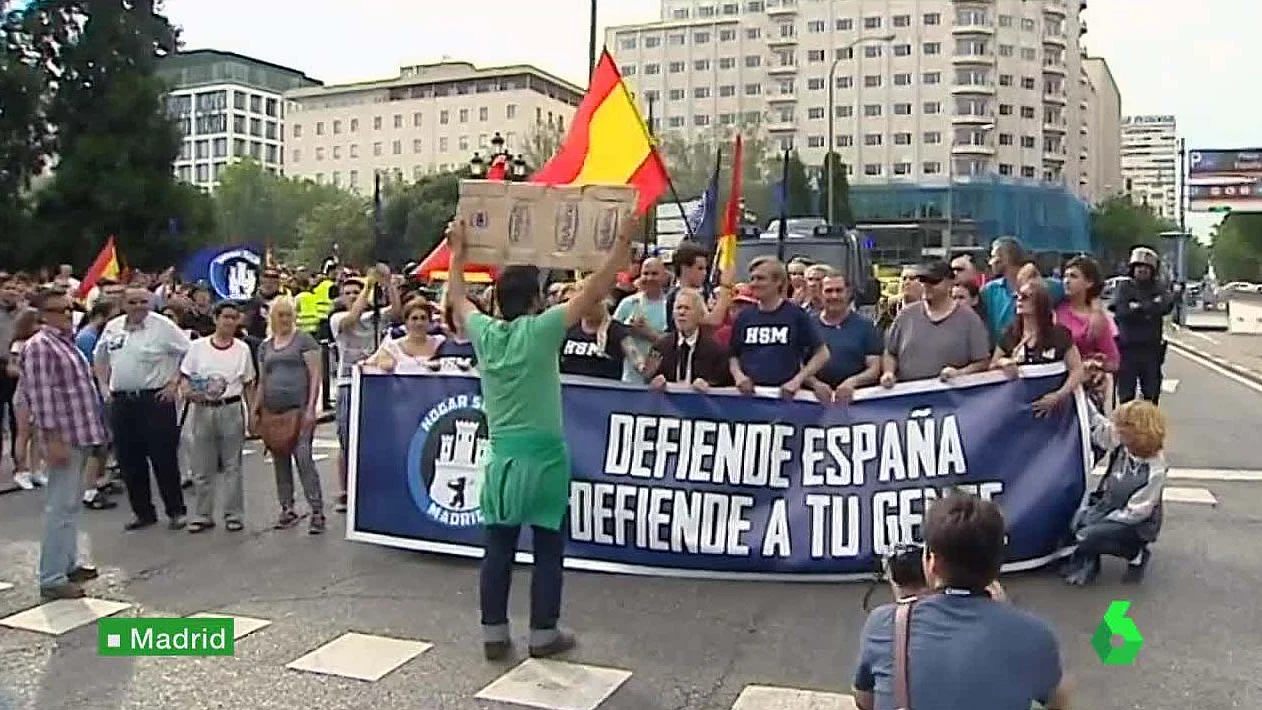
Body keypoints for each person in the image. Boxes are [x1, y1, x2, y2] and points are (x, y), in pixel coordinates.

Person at [444, 214, 636, 662]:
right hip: (546, 457)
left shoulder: (485, 334)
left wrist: (457, 253)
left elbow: (457, 299)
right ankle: (543, 631)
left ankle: (494, 632)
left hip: (503, 458)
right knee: (548, 546)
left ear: (497, 301)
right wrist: (622, 242)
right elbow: (594, 291)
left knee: (498, 546)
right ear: (534, 300)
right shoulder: (543, 330)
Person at [851, 493, 1068, 710]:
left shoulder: (884, 624)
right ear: (997, 563)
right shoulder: (1036, 635)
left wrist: (904, 609)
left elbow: (864, 701)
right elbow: (1057, 704)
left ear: (933, 563)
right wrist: (1006, 612)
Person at [22, 288, 110, 600]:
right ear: (43, 315)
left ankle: (68, 563)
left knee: (71, 505)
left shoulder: (64, 342)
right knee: (59, 507)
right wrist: (52, 439)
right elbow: (43, 397)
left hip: (81, 432)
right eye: (58, 310)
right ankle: (52, 576)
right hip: (65, 436)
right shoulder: (41, 346)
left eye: (68, 309)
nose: (66, 315)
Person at [93, 287, 190, 531]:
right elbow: (100, 358)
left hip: (154, 400)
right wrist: (104, 387)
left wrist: (174, 381)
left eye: (143, 302)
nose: (139, 306)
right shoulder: (113, 327)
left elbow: (190, 353)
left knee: (163, 458)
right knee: (128, 459)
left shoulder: (163, 326)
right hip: (122, 402)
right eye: (133, 302)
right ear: (123, 304)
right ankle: (143, 512)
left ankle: (176, 511)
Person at [1062, 399, 1166, 585]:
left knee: (1087, 533)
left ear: (1138, 430)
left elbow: (1137, 512)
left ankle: (1136, 553)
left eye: (1124, 425)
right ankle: (1088, 563)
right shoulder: (1122, 442)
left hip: (1134, 522)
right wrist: (1080, 394)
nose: (1118, 428)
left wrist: (1098, 522)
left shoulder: (1155, 469)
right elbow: (1096, 422)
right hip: (1108, 506)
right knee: (1076, 523)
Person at [179, 302, 256, 534]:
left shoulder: (242, 349)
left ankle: (233, 514)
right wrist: (187, 391)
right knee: (203, 465)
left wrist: (252, 414)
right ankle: (203, 514)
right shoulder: (197, 347)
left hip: (231, 408)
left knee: (233, 465)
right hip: (203, 408)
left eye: (234, 318)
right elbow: (184, 376)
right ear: (215, 319)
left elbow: (249, 384)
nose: (230, 322)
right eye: (226, 317)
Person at [255, 296, 326, 533]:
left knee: (304, 459)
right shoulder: (265, 346)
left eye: (288, 315)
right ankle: (287, 508)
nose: (284, 319)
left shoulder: (304, 340)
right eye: (280, 315)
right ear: (273, 318)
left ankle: (316, 511)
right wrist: (256, 409)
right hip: (273, 411)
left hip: (299, 410)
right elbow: (262, 380)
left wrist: (311, 409)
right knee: (279, 460)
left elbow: (315, 375)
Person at [728, 256, 831, 400]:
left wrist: (797, 380)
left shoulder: (796, 315)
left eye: (760, 278)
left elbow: (822, 354)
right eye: (752, 279)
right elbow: (733, 355)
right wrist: (739, 377)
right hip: (749, 399)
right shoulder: (744, 317)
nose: (754, 284)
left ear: (778, 282)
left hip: (785, 399)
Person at [881, 262, 990, 386]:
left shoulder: (969, 319)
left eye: (934, 281)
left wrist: (960, 373)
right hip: (907, 396)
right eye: (923, 281)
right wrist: (888, 372)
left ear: (950, 282)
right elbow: (890, 352)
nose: (927, 286)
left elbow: (982, 362)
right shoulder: (905, 315)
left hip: (951, 399)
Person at [990, 280, 1085, 416]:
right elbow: (992, 366)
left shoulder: (1059, 335)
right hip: (1017, 409)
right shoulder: (1010, 335)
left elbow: (1077, 369)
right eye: (1018, 296)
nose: (1019, 300)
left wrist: (1058, 395)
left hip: (1056, 412)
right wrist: (1003, 363)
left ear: (1040, 303)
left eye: (1026, 297)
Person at [1111, 247, 1174, 405]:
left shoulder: (1158, 288)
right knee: (1126, 397)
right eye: (1138, 267)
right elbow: (1121, 311)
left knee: (1151, 395)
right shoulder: (1124, 288)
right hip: (1128, 349)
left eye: (1146, 267)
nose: (1142, 270)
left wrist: (1138, 307)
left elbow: (1166, 305)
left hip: (1151, 351)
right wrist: (1150, 306)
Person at [645, 288, 731, 391]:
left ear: (700, 315)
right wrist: (653, 381)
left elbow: (724, 384)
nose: (681, 312)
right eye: (678, 308)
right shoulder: (660, 347)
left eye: (687, 308)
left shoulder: (716, 350)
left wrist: (709, 385)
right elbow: (649, 379)